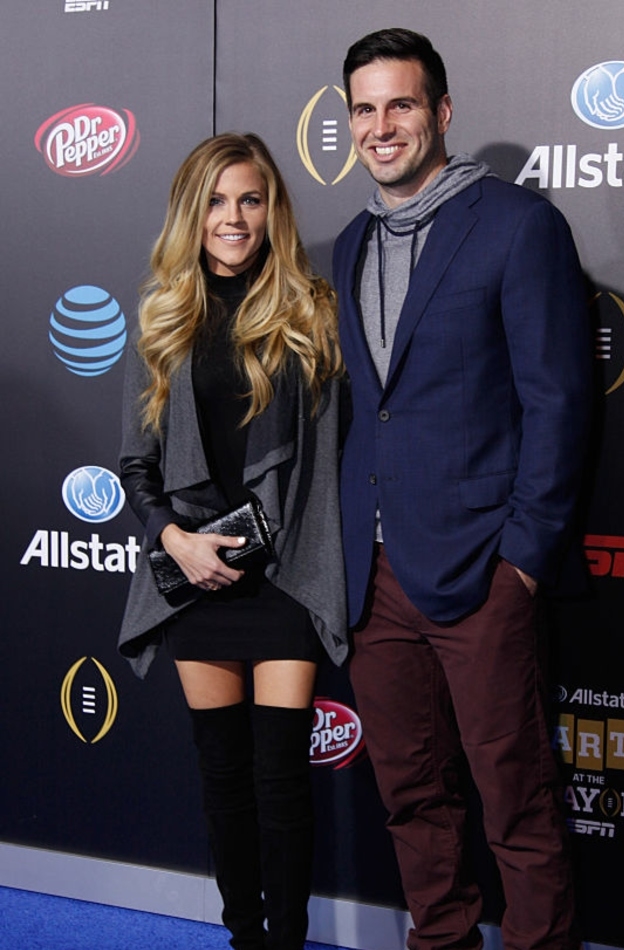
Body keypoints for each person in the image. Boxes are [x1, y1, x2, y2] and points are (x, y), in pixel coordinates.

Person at [333, 29, 592, 950]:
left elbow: (558, 403)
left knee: (512, 799)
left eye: (400, 104)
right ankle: (439, 940)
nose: (381, 126)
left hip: (481, 569)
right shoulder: (348, 244)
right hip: (371, 575)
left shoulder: (519, 226)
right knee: (410, 795)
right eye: (364, 109)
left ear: (441, 112)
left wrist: (523, 557)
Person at [117, 132, 347, 950]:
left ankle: (285, 940)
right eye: (216, 201)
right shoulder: (164, 317)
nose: (234, 217)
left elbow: (333, 457)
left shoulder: (310, 309)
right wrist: (175, 542)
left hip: (287, 576)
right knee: (223, 779)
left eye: (250, 198)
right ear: (192, 211)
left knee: (282, 779)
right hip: (197, 576)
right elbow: (134, 464)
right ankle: (244, 939)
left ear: (272, 207)